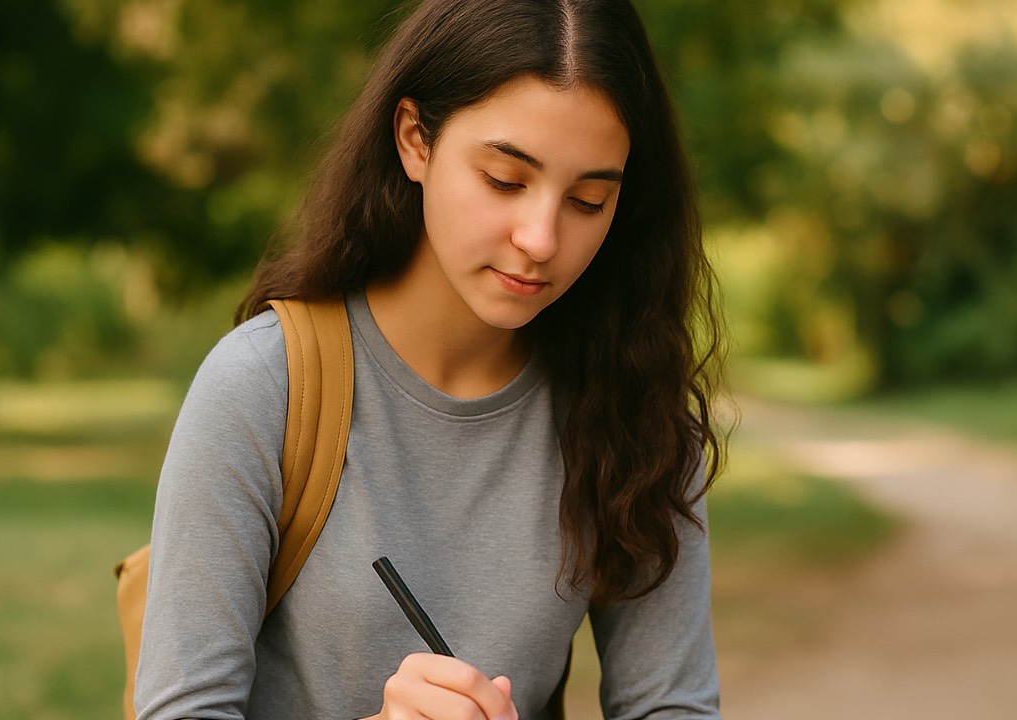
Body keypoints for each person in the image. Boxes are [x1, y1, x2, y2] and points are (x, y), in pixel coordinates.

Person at [135, 0, 729, 718]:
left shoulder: (634, 410)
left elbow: (673, 705)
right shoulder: (265, 386)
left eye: (588, 200)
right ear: (415, 138)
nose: (541, 237)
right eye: (506, 180)